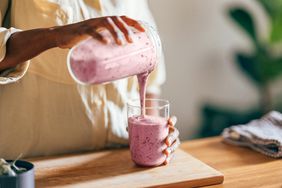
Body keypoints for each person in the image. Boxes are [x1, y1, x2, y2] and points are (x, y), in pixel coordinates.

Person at [0, 0, 179, 163]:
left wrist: (155, 139)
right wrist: (55, 35)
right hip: (30, 169)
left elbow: (151, 79)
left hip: (118, 163)